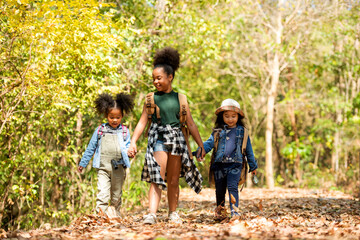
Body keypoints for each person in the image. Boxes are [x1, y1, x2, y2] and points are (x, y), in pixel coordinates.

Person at [127, 47, 205, 225]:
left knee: (173, 179)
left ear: (170, 77)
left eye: (159, 78)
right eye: (154, 78)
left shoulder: (181, 99)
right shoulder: (151, 99)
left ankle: (173, 213)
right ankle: (152, 214)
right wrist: (133, 141)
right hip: (159, 138)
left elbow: (190, 124)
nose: (155, 82)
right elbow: (142, 122)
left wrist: (200, 145)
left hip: (177, 140)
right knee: (157, 176)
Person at [195, 99, 258, 218]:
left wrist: (253, 166)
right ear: (222, 117)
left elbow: (248, 150)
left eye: (233, 116)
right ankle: (220, 210)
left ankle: (234, 211)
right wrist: (200, 151)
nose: (230, 119)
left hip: (235, 164)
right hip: (219, 165)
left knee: (233, 187)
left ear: (238, 117)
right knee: (220, 189)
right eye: (227, 116)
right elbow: (209, 144)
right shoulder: (217, 132)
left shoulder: (243, 132)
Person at [78, 92, 134, 217]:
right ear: (106, 115)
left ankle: (115, 215)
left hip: (119, 168)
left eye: (118, 117)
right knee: (102, 193)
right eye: (111, 117)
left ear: (122, 116)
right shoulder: (100, 130)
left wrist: (130, 153)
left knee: (116, 194)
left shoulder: (124, 131)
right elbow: (91, 148)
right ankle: (100, 216)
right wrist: (83, 163)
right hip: (103, 168)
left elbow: (127, 147)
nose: (114, 120)